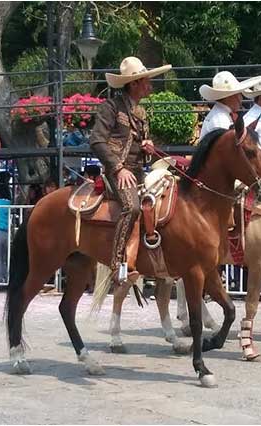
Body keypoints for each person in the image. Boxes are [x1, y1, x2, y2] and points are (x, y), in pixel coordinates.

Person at [90, 56, 171, 283]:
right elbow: (97, 141)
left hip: (137, 173)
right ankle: (117, 265)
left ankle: (151, 260)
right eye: (145, 81)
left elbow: (140, 149)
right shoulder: (111, 107)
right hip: (118, 173)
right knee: (132, 207)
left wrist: (148, 147)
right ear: (133, 83)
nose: (149, 85)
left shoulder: (141, 114)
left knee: (160, 203)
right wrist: (117, 168)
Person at [199, 71, 257, 141]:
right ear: (230, 96)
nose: (241, 98)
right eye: (238, 94)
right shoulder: (220, 120)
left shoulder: (221, 115)